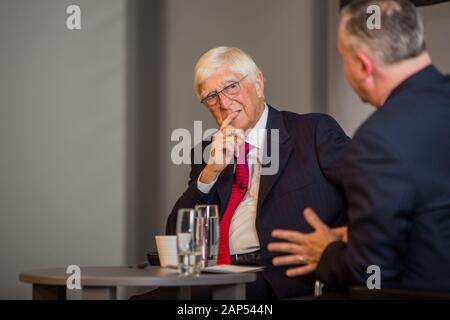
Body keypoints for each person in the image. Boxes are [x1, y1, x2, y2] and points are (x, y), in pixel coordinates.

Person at [268, 0, 450, 293]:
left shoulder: (375, 143)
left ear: (363, 66)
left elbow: (372, 272)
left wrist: (327, 252)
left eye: (344, 57)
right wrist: (362, 235)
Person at [166, 46, 350, 299]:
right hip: (214, 275)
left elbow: (372, 194)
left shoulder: (313, 132)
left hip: (283, 280)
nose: (223, 103)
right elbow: (175, 238)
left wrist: (343, 244)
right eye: (211, 96)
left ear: (259, 84)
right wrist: (210, 174)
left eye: (231, 86)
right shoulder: (207, 152)